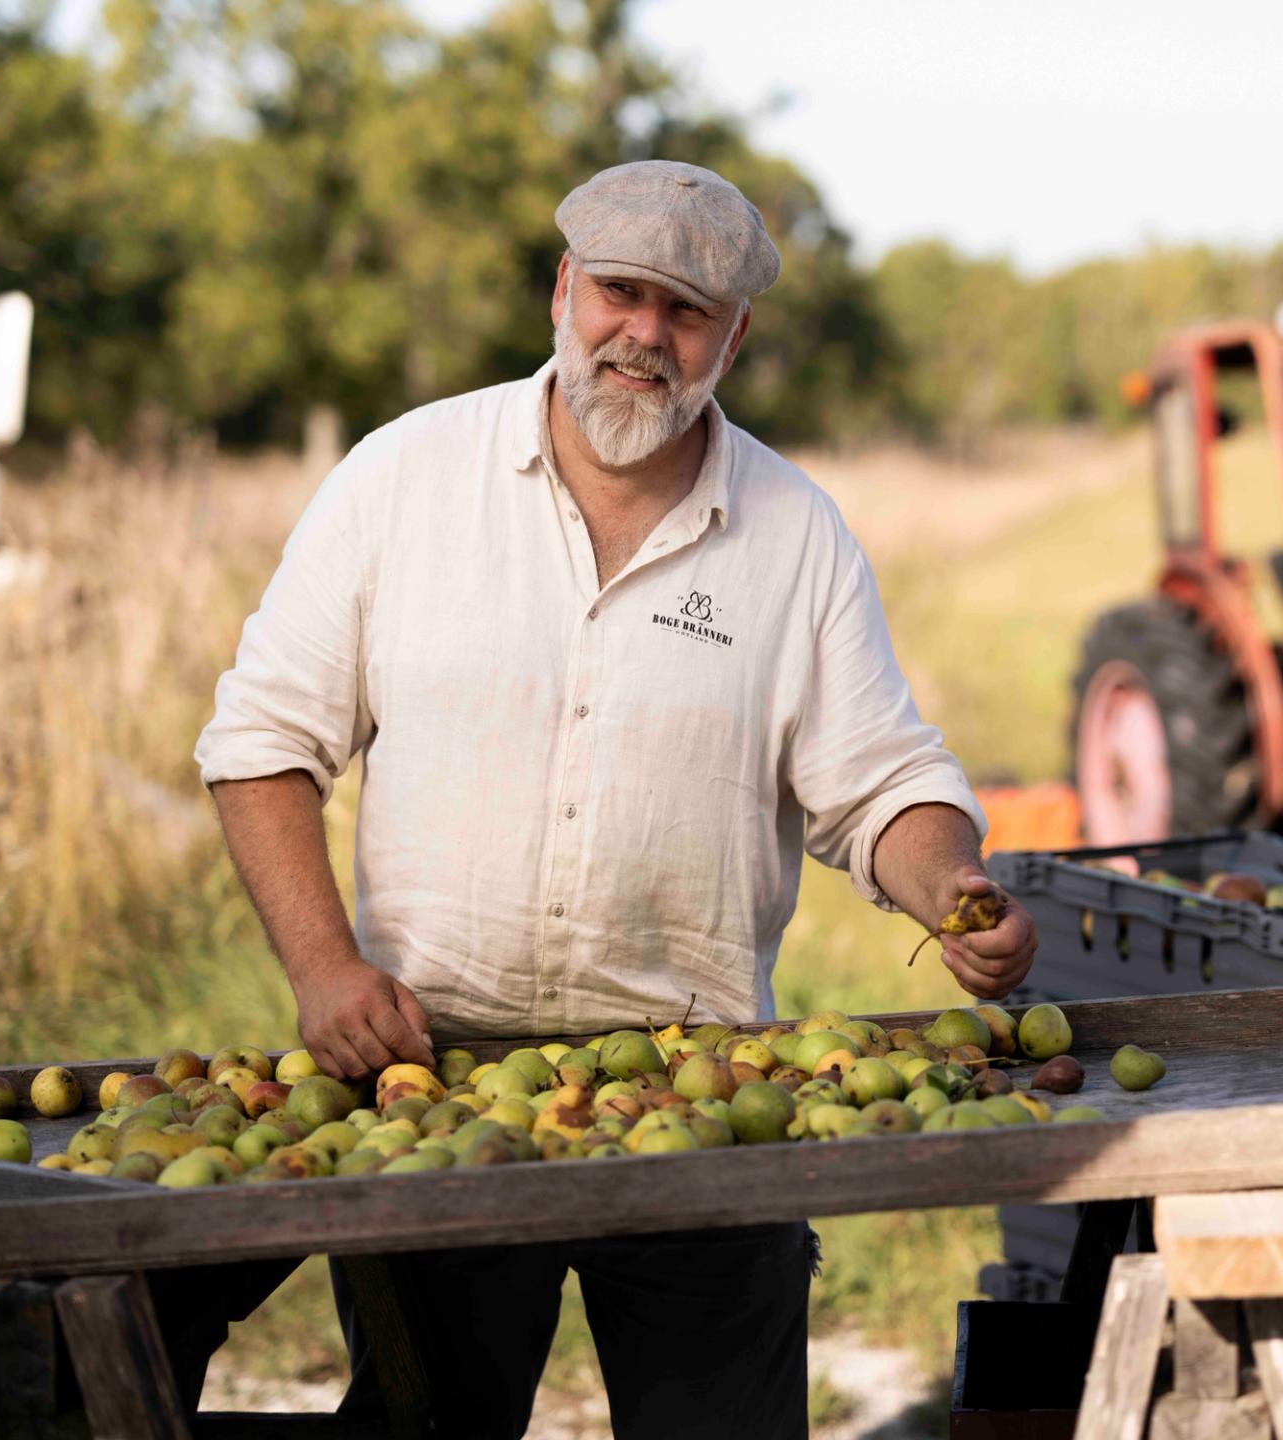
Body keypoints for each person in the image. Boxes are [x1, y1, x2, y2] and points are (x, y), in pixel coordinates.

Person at [193, 159, 1036, 1439]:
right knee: (435, 1425)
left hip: (706, 1100)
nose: (646, 333)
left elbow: (882, 787)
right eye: (622, 293)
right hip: (441, 1082)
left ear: (734, 336)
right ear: (563, 290)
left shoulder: (795, 533)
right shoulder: (404, 479)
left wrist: (953, 887)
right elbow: (261, 741)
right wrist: (323, 972)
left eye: (686, 310)